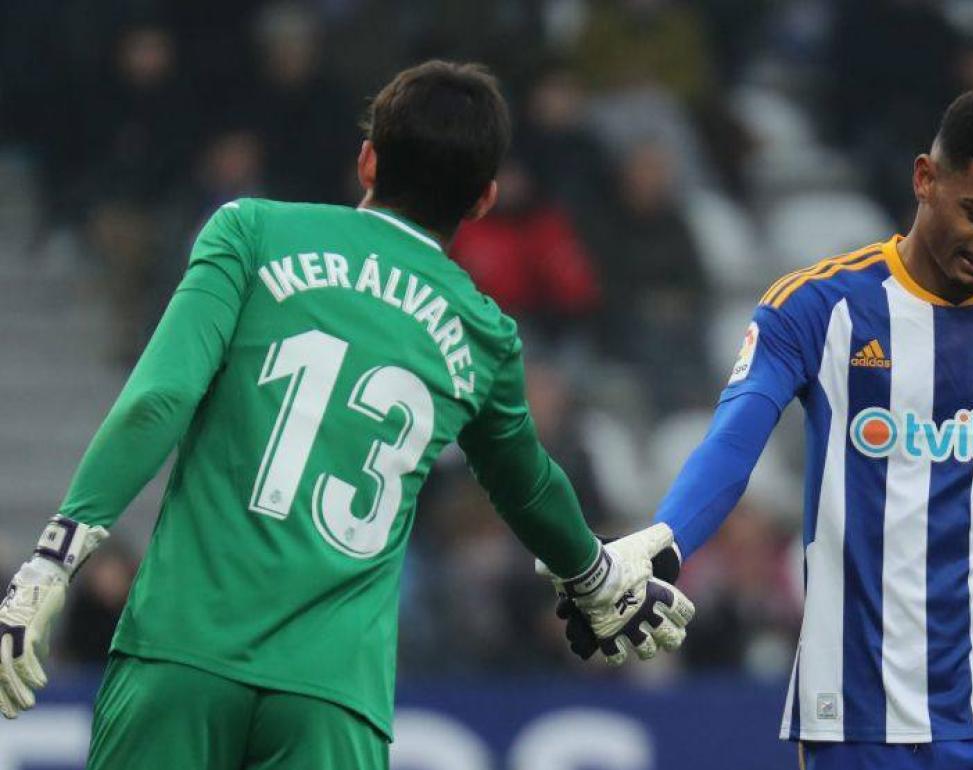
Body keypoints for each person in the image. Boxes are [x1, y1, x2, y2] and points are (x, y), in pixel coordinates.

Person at [0, 60, 692, 770]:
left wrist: (53, 560)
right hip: (332, 696)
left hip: (182, 654)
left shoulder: (251, 233)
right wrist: (594, 574)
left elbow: (160, 398)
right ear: (483, 199)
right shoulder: (483, 333)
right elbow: (528, 487)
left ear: (367, 161)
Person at [569, 90, 973, 769]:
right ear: (925, 179)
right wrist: (662, 546)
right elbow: (733, 444)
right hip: (857, 726)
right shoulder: (819, 307)